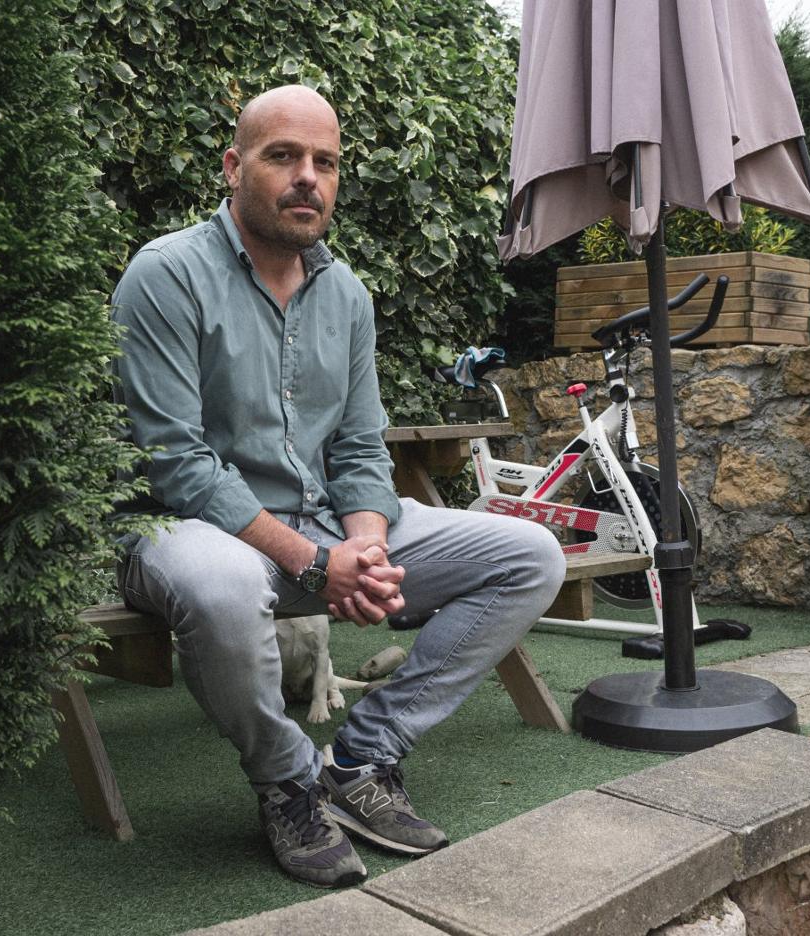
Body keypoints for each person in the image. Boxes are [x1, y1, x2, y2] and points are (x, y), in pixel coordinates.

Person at [110, 84, 565, 888]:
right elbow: (175, 463)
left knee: (529, 554)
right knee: (217, 586)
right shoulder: (166, 274)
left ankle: (359, 761)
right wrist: (318, 566)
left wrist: (366, 546)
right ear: (233, 165)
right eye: (283, 155)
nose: (306, 178)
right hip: (188, 533)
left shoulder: (346, 294)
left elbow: (359, 447)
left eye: (325, 162)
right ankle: (287, 780)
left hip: (321, 526)